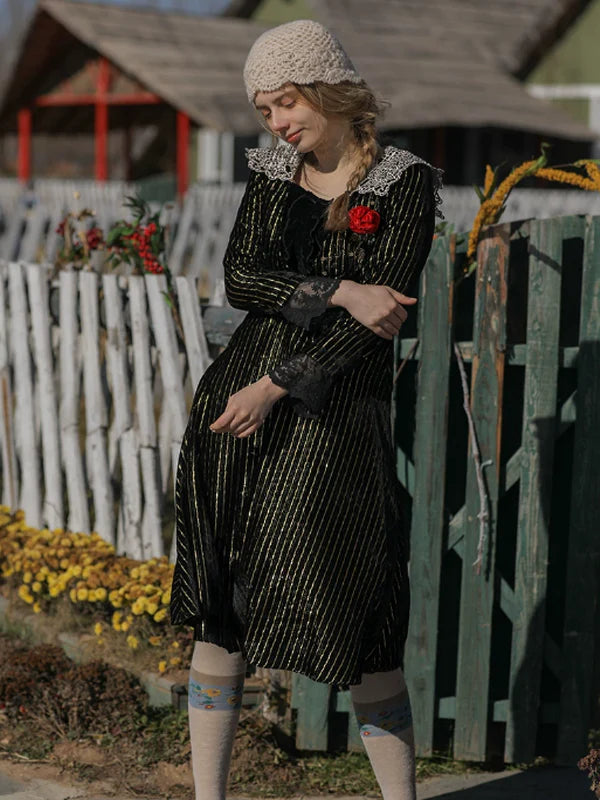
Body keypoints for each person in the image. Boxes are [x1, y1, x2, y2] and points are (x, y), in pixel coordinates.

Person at [169, 18, 443, 800]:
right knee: (223, 609)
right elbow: (240, 279)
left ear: (329, 89)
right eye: (265, 111)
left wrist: (276, 385)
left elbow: (370, 337)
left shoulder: (406, 181)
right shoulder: (273, 173)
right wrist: (341, 289)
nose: (279, 123)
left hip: (329, 420)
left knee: (363, 613)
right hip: (236, 415)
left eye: (287, 103)